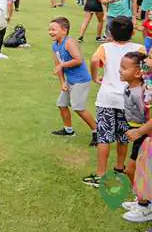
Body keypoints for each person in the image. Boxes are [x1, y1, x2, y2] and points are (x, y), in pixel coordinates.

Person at [85, 16, 145, 187]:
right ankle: (119, 167)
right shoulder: (138, 48)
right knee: (124, 136)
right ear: (132, 32)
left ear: (110, 32)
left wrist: (95, 77)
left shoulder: (105, 47)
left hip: (107, 99)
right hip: (129, 100)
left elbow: (94, 60)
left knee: (104, 137)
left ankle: (101, 174)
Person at [49, 17, 97, 146]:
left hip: (80, 80)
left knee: (78, 107)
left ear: (64, 31)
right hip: (69, 81)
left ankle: (97, 132)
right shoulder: (55, 46)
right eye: (49, 30)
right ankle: (68, 130)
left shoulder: (69, 42)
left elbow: (78, 59)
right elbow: (58, 65)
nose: (50, 32)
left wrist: (61, 66)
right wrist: (62, 82)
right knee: (62, 104)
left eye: (53, 29)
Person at [117, 51, 152, 223]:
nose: (120, 71)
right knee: (133, 170)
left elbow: (147, 117)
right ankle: (141, 200)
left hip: (144, 136)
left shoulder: (143, 93)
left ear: (138, 72)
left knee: (133, 170)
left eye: (124, 68)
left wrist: (139, 132)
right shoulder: (130, 87)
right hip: (137, 133)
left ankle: (145, 205)